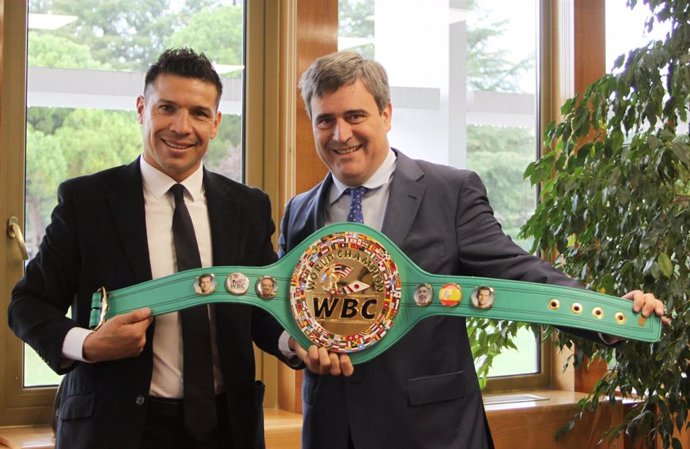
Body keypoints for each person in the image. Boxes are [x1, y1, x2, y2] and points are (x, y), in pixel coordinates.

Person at [279, 51, 666, 449]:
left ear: (387, 114)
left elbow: (518, 271)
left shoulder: (449, 192)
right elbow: (282, 307)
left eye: (355, 116)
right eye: (325, 120)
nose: (340, 135)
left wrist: (608, 316)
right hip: (331, 430)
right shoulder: (299, 211)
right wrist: (295, 344)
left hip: (430, 431)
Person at [8, 48, 295, 449]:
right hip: (115, 430)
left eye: (198, 113)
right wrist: (87, 345)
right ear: (142, 109)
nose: (181, 126)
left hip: (227, 430)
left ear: (215, 123)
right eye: (167, 108)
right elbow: (27, 304)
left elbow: (260, 305)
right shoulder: (86, 202)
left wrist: (293, 341)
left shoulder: (247, 207)